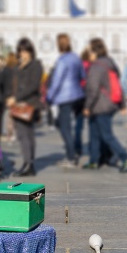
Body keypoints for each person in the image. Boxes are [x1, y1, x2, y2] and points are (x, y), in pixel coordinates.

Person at [83, 38, 127, 173]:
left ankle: (125, 157)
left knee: (106, 135)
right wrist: (122, 103)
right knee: (94, 132)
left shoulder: (96, 66)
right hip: (109, 103)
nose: (88, 53)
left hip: (100, 105)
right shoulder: (110, 63)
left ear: (95, 51)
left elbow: (92, 89)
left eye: (90, 51)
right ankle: (94, 160)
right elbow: (118, 84)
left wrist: (87, 106)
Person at [46, 34, 85, 167]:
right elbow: (82, 75)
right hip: (78, 95)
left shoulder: (62, 60)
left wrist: (49, 96)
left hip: (64, 97)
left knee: (64, 127)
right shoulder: (76, 58)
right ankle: (76, 150)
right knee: (72, 126)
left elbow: (56, 81)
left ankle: (71, 157)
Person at [6, 38, 43, 177]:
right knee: (24, 134)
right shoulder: (17, 66)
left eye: (26, 51)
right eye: (21, 51)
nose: (23, 54)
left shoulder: (36, 65)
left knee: (26, 134)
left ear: (31, 51)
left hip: (29, 105)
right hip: (18, 105)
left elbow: (33, 86)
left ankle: (28, 164)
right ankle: (28, 163)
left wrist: (17, 98)